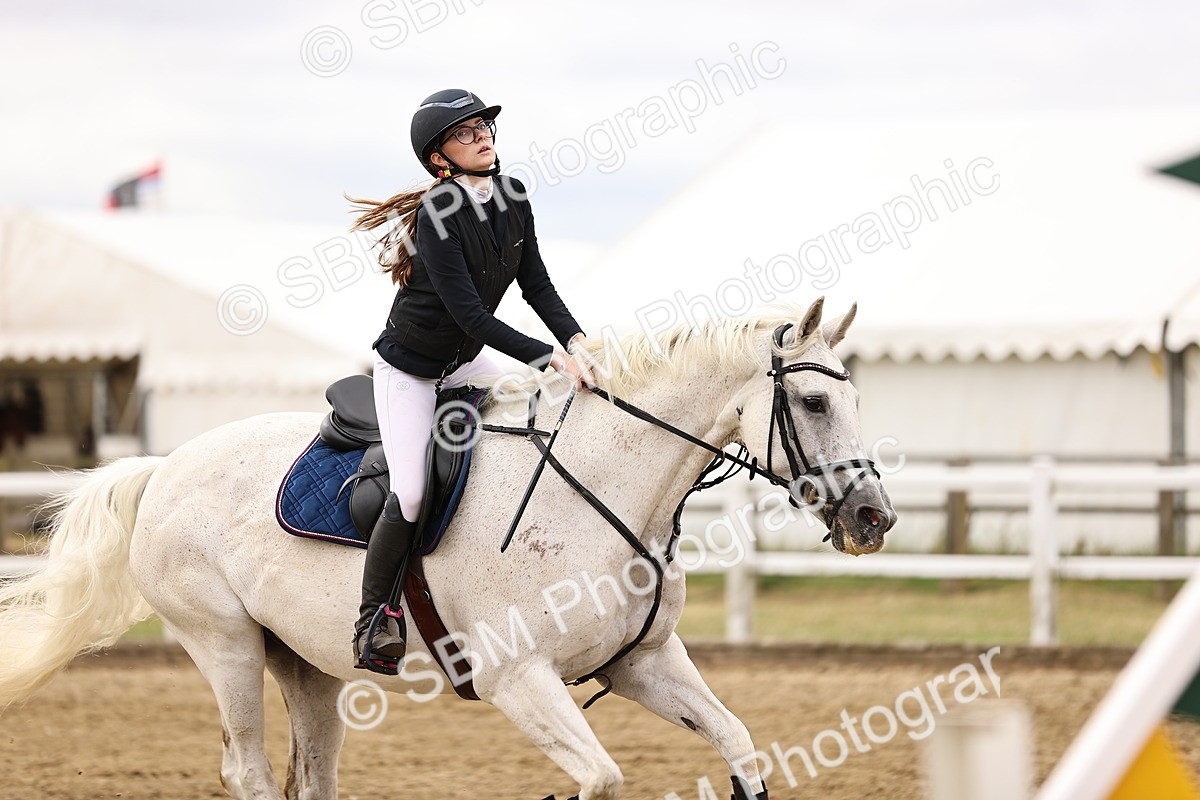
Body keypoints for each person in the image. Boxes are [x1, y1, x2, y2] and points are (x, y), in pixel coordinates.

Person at [346, 89, 594, 672]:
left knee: (547, 415)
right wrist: (547, 357)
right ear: (440, 159)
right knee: (409, 493)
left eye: (484, 125)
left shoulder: (513, 196)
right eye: (466, 132)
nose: (483, 134)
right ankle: (372, 619)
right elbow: (471, 317)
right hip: (410, 369)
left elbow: (538, 285)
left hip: (467, 359)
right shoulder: (436, 216)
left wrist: (578, 342)